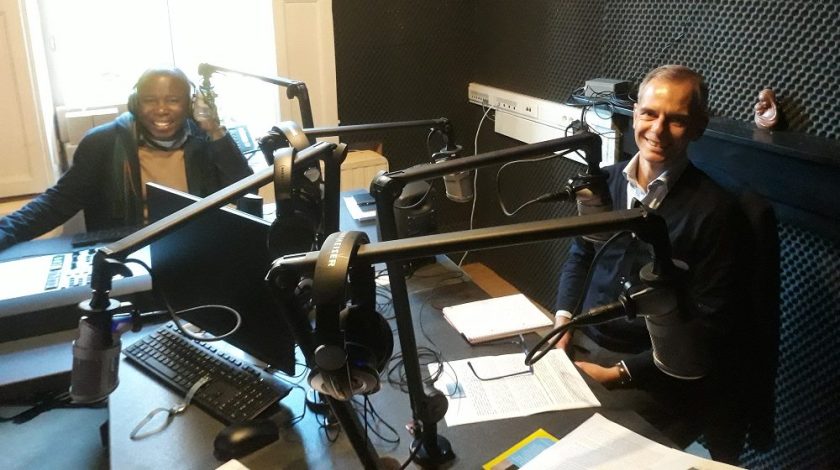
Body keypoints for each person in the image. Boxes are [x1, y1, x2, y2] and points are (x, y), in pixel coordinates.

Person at [553, 65, 748, 461]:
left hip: (654, 373)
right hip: (584, 345)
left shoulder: (716, 213)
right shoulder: (603, 184)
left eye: (676, 120)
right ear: (633, 115)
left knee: (591, 457)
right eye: (649, 114)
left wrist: (617, 374)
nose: (658, 130)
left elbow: (711, 326)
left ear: (698, 127)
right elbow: (582, 254)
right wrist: (562, 324)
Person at [0, 66, 252, 252]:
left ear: (189, 105)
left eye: (173, 101)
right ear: (135, 104)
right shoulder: (103, 143)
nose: (161, 109)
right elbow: (55, 204)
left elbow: (247, 192)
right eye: (149, 101)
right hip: (128, 253)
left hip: (194, 249)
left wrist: (215, 131)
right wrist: (4, 231)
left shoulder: (205, 140)